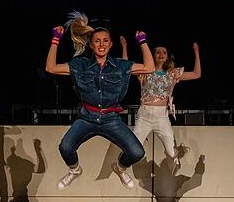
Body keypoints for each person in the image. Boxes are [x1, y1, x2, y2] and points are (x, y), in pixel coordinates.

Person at [45, 11, 156, 190]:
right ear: (90, 44)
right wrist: (55, 40)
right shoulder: (79, 65)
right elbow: (50, 68)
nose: (101, 44)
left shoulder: (121, 66)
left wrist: (142, 42)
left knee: (137, 152)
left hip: (111, 120)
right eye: (97, 41)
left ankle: (119, 168)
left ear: (111, 44)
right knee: (65, 147)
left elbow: (149, 67)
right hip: (86, 118)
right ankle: (74, 171)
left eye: (105, 41)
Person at [120, 37, 201, 170]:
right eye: (158, 52)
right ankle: (121, 166)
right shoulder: (146, 71)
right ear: (152, 55)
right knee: (134, 149)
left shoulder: (172, 73)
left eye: (164, 52)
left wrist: (196, 52)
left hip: (161, 117)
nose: (161, 54)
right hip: (144, 116)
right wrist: (124, 47)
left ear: (167, 56)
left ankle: (173, 164)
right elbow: (125, 67)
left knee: (171, 152)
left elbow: (196, 74)